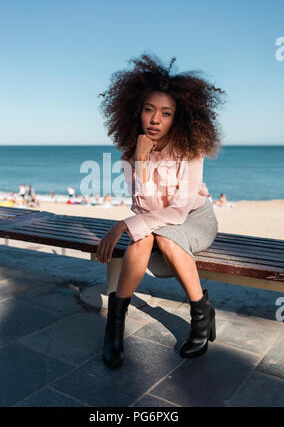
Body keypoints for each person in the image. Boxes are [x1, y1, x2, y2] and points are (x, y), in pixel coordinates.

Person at [96, 53, 224, 369]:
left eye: (166, 113)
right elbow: (147, 208)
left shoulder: (191, 149)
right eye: (149, 110)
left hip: (195, 218)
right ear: (136, 112)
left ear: (177, 118)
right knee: (143, 238)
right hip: (158, 221)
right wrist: (140, 162)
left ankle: (200, 314)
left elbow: (179, 212)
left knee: (163, 237)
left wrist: (124, 224)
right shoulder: (131, 153)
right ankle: (115, 324)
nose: (155, 119)